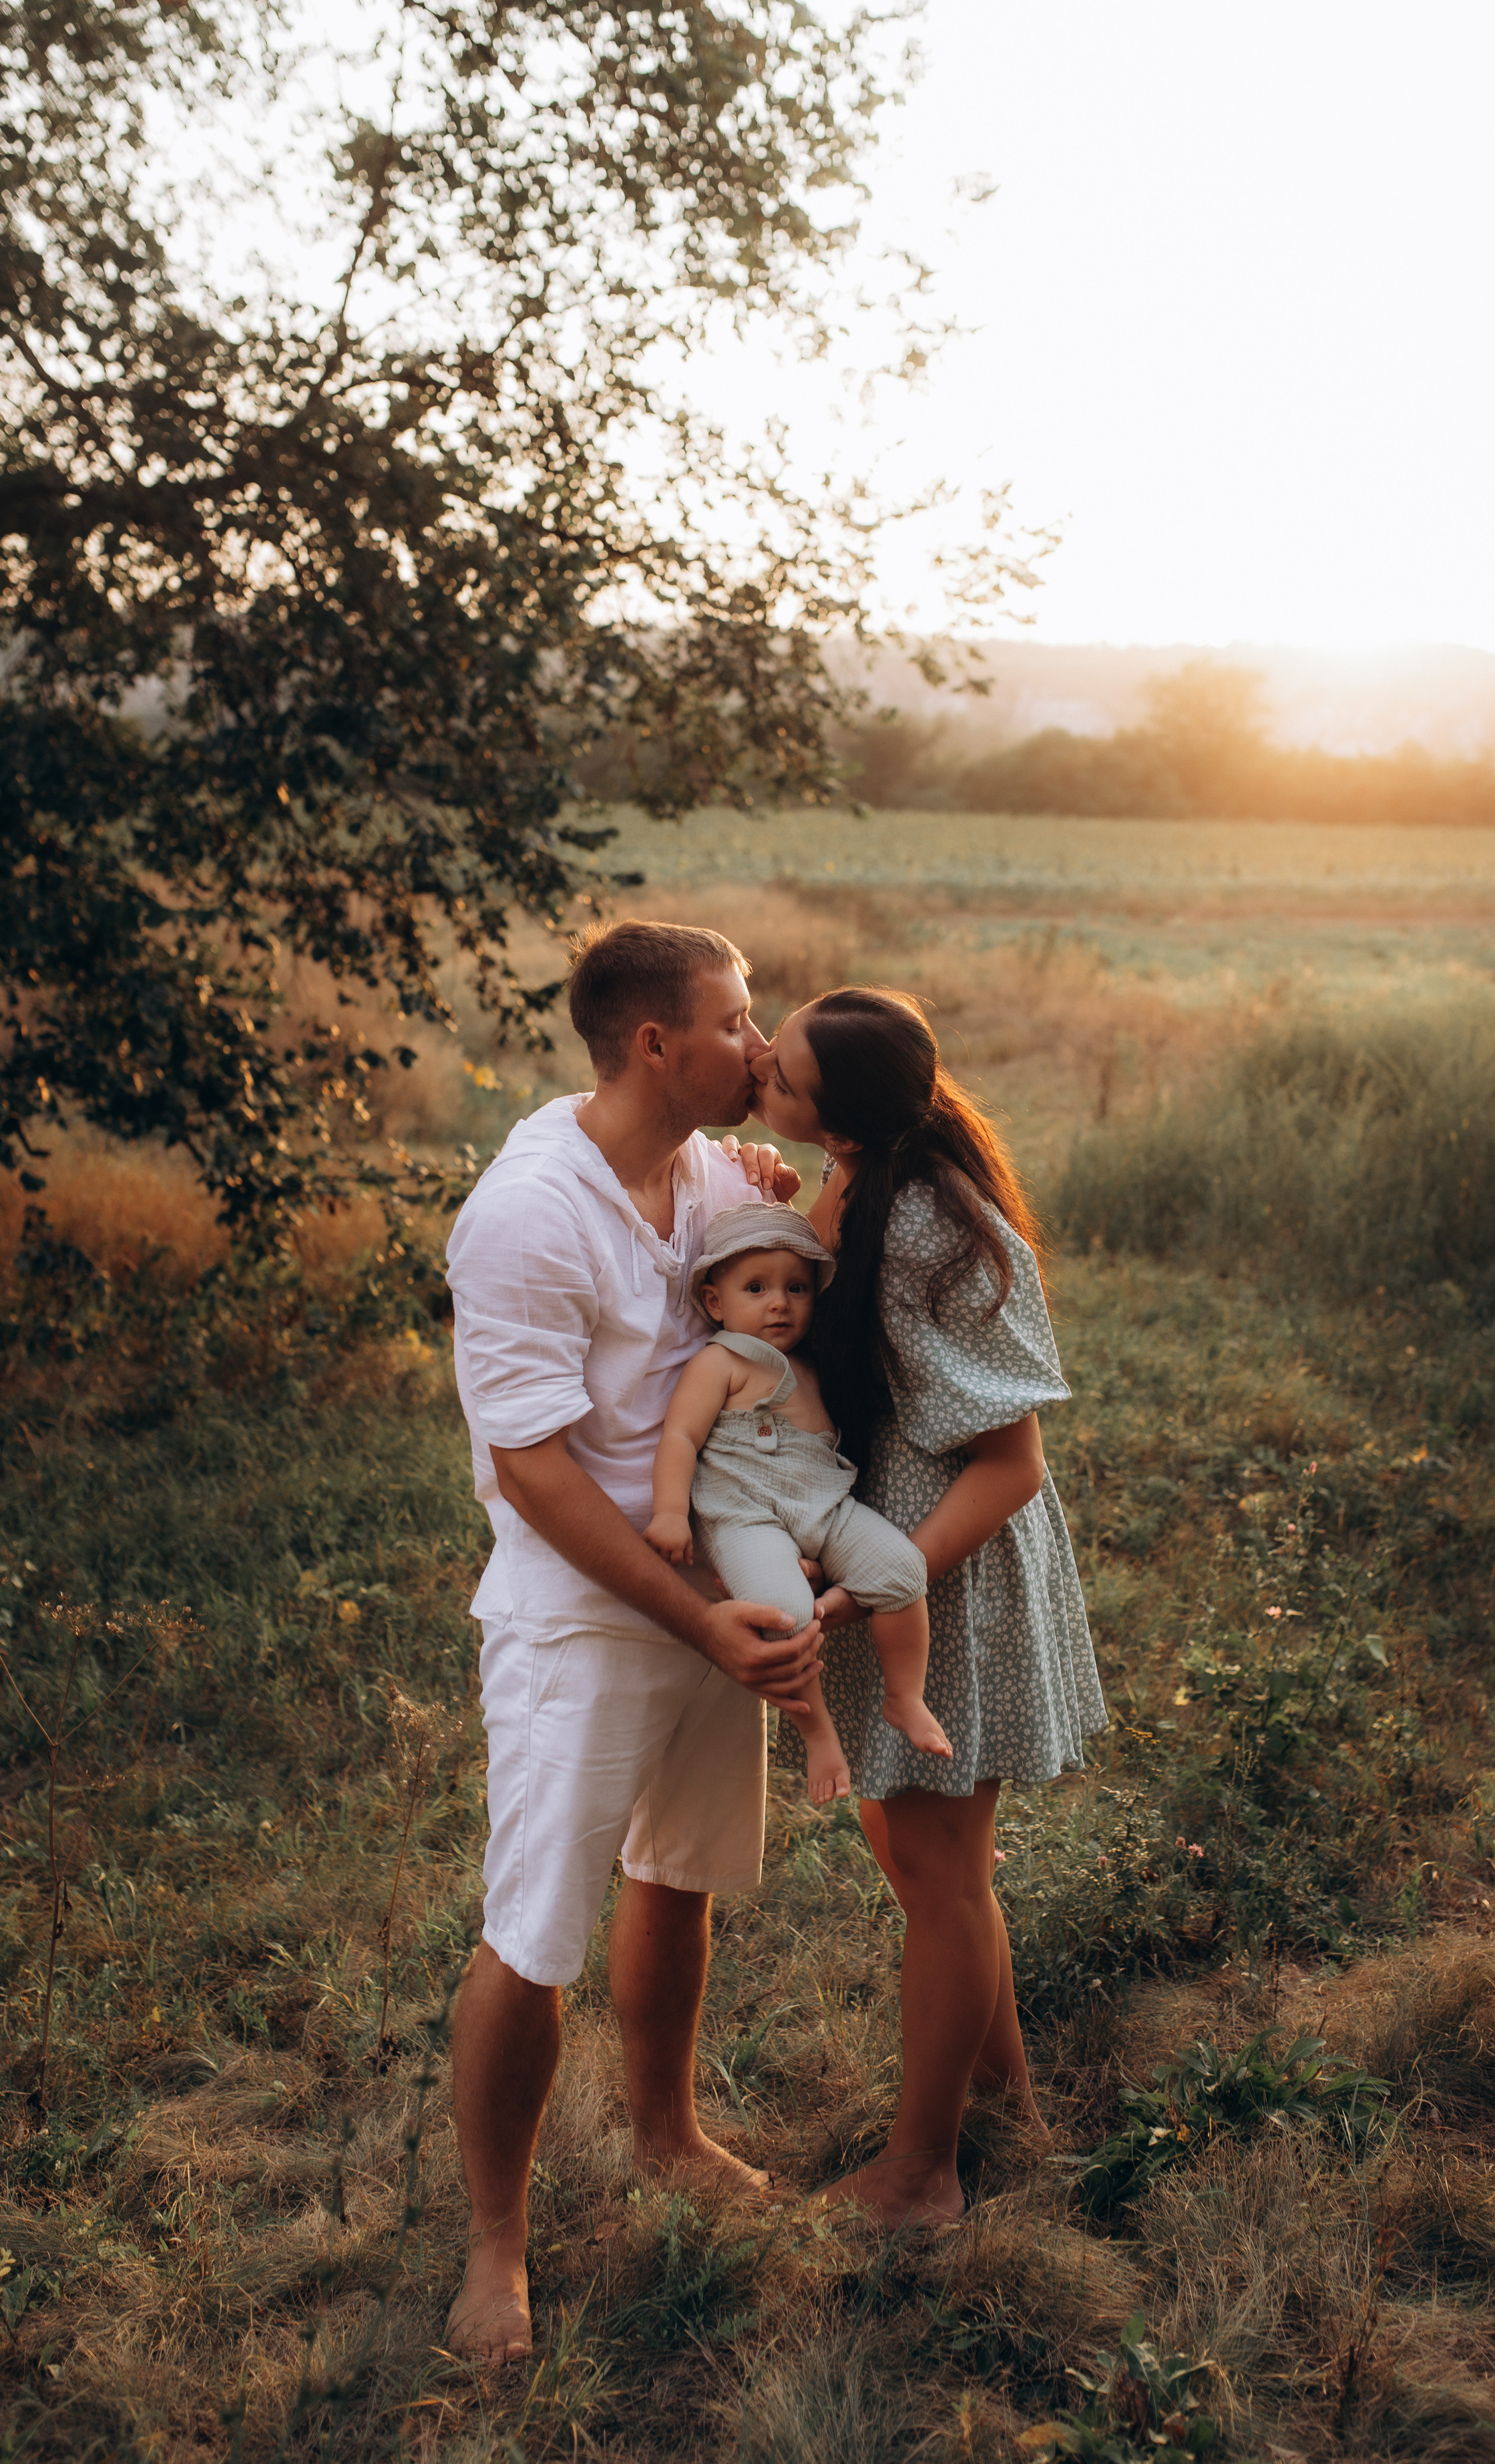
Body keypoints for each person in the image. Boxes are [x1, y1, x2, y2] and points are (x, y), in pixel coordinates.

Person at [441, 920, 819, 2362]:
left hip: (708, 1605)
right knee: (532, 1932)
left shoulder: (716, 1169)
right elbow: (533, 1472)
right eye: (736, 1019)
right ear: (655, 1043)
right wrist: (703, 1624)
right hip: (585, 1625)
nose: (759, 1040)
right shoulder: (528, 1211)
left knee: (677, 1879)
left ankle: (664, 2132)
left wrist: (788, 1185)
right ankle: (494, 2250)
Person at [751, 985, 1107, 2228]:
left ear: (839, 1112)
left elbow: (1014, 1466)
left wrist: (876, 1577)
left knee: (944, 1870)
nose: (758, 1067)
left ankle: (922, 2172)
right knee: (913, 1853)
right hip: (880, 1542)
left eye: (781, 1071)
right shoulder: (851, 1181)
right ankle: (1006, 2107)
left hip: (943, 1562)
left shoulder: (927, 1222)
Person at [644, 1202, 952, 1803]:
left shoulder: (813, 1364)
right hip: (745, 1515)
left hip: (825, 1505)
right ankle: (818, 1734)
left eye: (796, 1288)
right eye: (755, 1288)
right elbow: (679, 1437)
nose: (779, 1303)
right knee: (781, 1617)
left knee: (902, 1570)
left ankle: (905, 1695)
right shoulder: (721, 1361)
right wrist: (669, 1512)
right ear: (715, 1303)